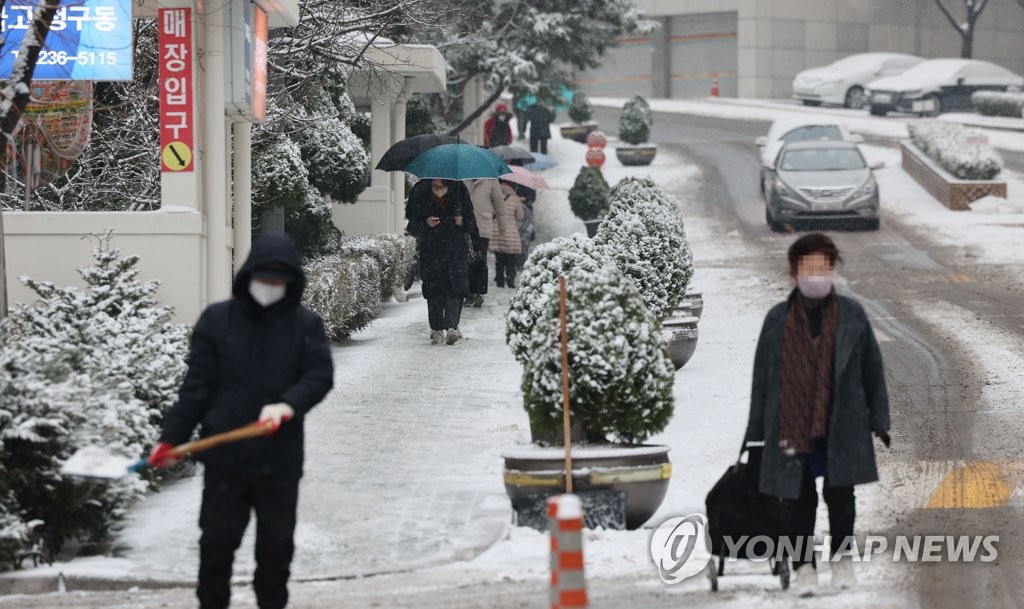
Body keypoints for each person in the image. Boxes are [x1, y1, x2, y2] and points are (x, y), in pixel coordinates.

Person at [147, 233, 335, 609]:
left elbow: (319, 376)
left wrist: (287, 405)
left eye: (279, 280)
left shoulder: (305, 325)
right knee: (216, 545)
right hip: (225, 459)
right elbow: (196, 388)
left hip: (279, 461)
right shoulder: (217, 321)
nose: (270, 286)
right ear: (249, 275)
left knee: (275, 549)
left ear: (292, 282)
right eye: (264, 277)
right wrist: (171, 439)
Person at [743, 233, 890, 597]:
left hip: (843, 422)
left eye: (823, 267)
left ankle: (842, 561)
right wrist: (755, 433)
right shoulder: (776, 319)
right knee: (797, 499)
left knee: (841, 496)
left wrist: (879, 418)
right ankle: (804, 567)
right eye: (808, 268)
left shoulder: (852, 314)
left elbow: (873, 368)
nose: (816, 275)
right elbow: (762, 380)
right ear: (794, 273)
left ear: (832, 270)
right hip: (791, 425)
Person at [406, 178, 479, 344]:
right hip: (431, 251)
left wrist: (461, 223)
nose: (438, 188)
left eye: (442, 186)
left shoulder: (459, 190)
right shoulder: (420, 191)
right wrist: (426, 224)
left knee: (455, 289)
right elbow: (412, 225)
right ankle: (437, 329)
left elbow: (471, 221)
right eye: (435, 186)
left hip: (455, 251)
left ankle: (452, 326)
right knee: (434, 291)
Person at [464, 179, 509, 307]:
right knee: (464, 260)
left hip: (482, 227)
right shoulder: (461, 177)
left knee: (480, 260)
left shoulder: (491, 180)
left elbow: (499, 203)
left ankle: (478, 292)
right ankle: (466, 292)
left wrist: (502, 226)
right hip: (464, 227)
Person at [494, 181, 525, 288]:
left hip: (497, 231)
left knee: (499, 259)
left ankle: (499, 279)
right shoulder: (515, 199)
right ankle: (510, 278)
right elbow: (520, 216)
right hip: (510, 232)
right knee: (510, 258)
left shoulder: (495, 195)